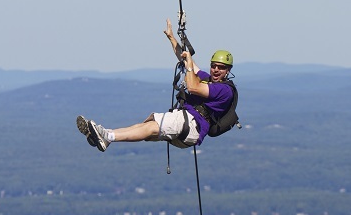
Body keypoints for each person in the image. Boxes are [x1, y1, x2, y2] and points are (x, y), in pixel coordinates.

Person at [77, 18, 236, 151]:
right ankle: (105, 135)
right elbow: (187, 61)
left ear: (228, 71)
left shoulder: (225, 91)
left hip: (192, 124)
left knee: (152, 128)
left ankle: (107, 136)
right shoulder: (208, 79)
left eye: (221, 67)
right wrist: (172, 39)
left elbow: (193, 86)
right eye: (214, 65)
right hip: (188, 127)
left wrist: (188, 65)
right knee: (148, 126)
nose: (215, 70)